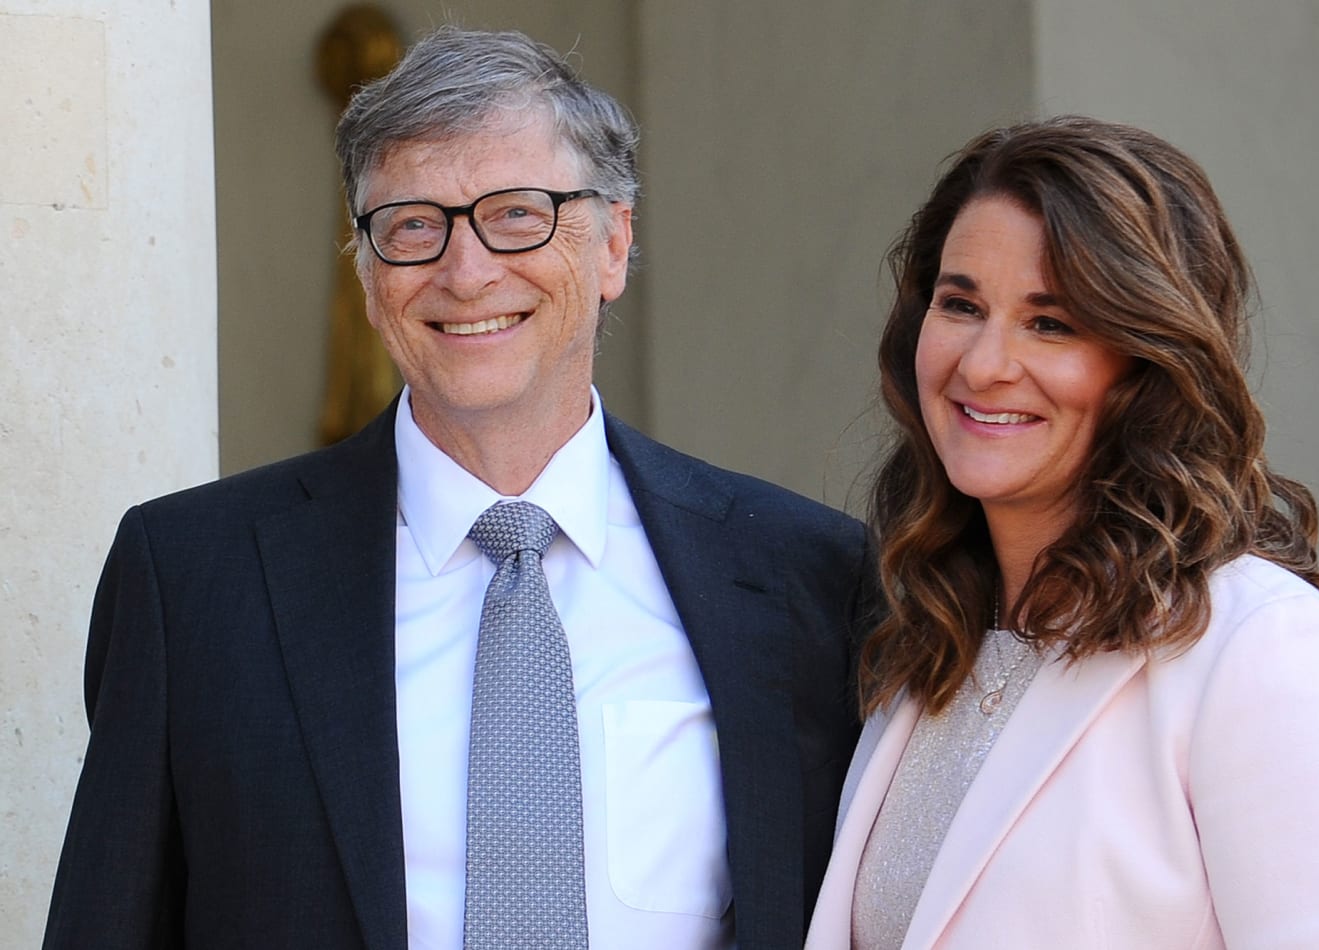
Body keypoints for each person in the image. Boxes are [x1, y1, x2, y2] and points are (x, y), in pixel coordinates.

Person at [44, 28, 875, 950]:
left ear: (613, 244)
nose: (467, 269)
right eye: (413, 225)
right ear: (367, 276)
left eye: (519, 213)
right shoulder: (193, 581)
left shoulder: (806, 579)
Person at [805, 116, 1319, 949]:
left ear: (1149, 360)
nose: (982, 365)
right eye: (960, 304)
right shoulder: (929, 649)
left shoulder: (1261, 650)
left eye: (1051, 323)